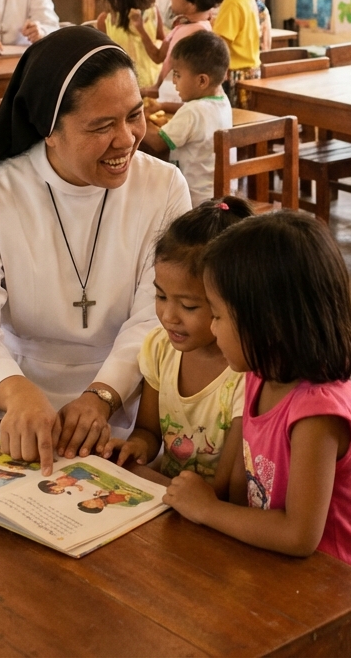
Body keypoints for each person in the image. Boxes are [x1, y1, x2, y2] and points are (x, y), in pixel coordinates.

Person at [0, 25, 191, 476]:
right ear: (48, 131)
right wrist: (15, 391)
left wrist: (103, 394)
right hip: (11, 399)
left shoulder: (164, 185)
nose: (127, 139)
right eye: (101, 126)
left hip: (132, 401)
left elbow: (155, 315)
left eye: (134, 115)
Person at [164, 211, 351, 658]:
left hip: (345, 604)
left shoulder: (317, 413)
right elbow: (235, 486)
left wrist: (206, 511)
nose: (211, 330)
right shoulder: (259, 375)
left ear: (268, 326)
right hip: (281, 574)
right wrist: (201, 504)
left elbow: (298, 536)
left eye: (217, 316)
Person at [105, 198, 252, 485]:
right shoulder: (161, 349)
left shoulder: (245, 374)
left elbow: (226, 489)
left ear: (231, 302)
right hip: (170, 498)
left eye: (188, 305)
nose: (169, 316)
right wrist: (136, 448)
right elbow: (148, 431)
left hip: (213, 515)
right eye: (160, 297)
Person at [143, 31, 233, 205]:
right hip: (219, 196)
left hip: (192, 200)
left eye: (177, 74)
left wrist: (136, 119)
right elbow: (193, 110)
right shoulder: (222, 100)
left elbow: (157, 143)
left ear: (201, 81)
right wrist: (162, 106)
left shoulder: (192, 113)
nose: (174, 81)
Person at [142, 0, 225, 107]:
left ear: (191, 3)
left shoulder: (197, 35)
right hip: (169, 98)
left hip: (178, 105)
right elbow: (161, 57)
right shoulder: (184, 26)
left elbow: (193, 95)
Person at [95, 0, 163, 89]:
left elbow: (162, 48)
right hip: (130, 90)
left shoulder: (152, 14)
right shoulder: (106, 20)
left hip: (147, 90)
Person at [212, 0, 263, 105]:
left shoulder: (232, 4)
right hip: (251, 73)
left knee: (232, 122)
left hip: (234, 76)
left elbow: (220, 47)